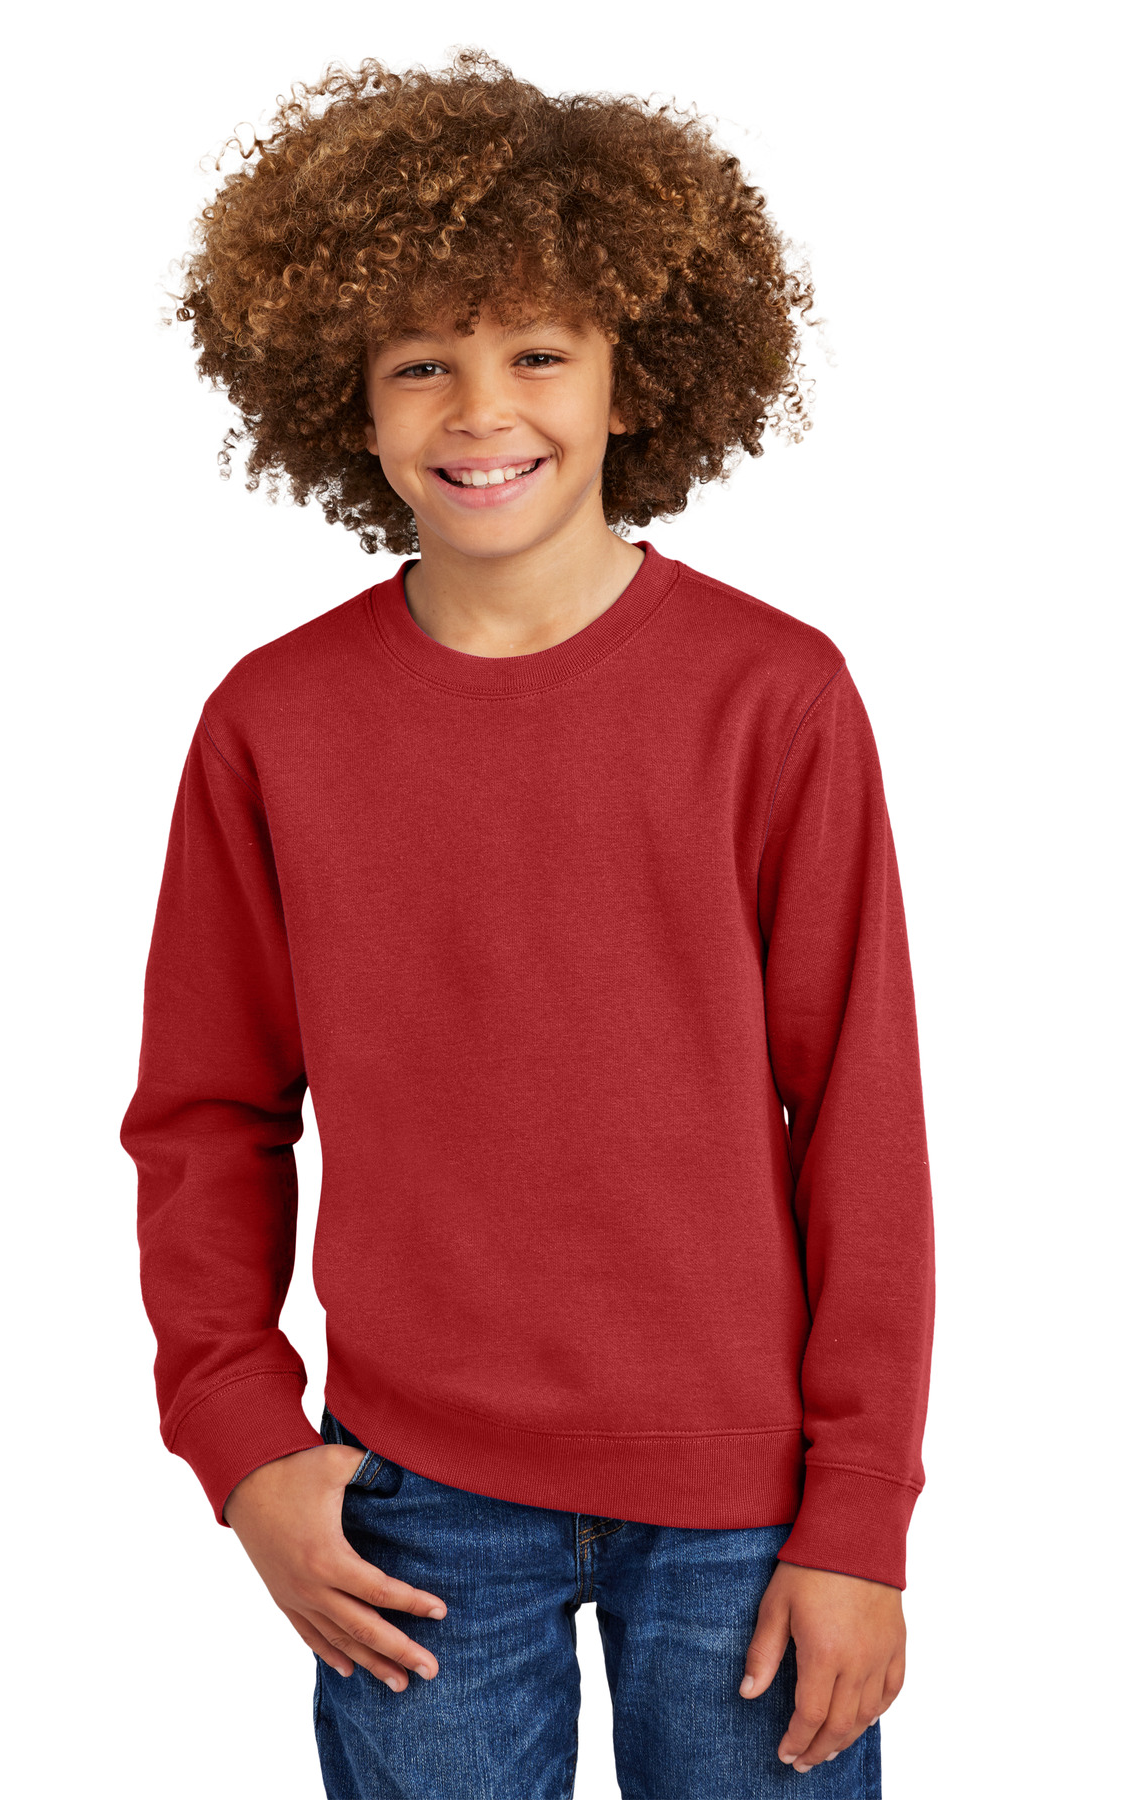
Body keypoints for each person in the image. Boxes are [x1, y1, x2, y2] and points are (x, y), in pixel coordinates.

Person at [121, 49, 936, 1799]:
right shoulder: (273, 724)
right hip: (414, 1504)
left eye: (538, 354)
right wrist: (243, 1441)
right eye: (422, 362)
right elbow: (206, 1113)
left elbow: (861, 1121)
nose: (481, 410)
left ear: (638, 378)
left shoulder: (775, 699)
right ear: (348, 402)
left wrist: (862, 1511)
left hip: (745, 1504)